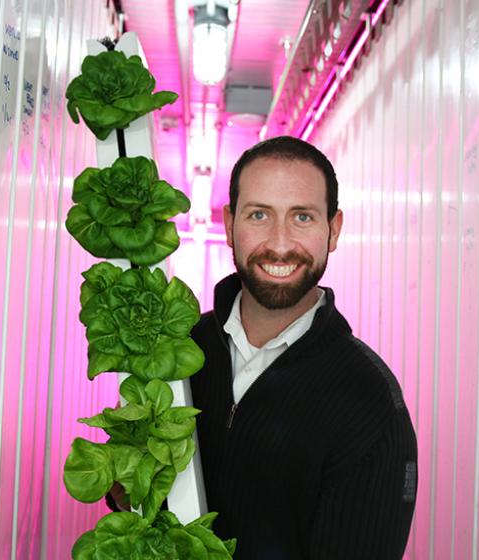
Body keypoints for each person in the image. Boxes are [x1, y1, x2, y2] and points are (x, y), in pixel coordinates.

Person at [188, 136, 417, 559]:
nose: (279, 243)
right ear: (228, 223)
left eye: (302, 217)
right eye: (259, 214)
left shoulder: (370, 402)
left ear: (333, 230)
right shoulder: (178, 355)